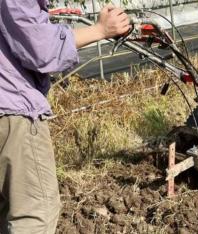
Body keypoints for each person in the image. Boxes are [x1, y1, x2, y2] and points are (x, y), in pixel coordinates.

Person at [0, 0, 131, 233]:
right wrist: (100, 30)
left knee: (6, 208)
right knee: (35, 213)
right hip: (13, 111)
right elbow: (40, 49)